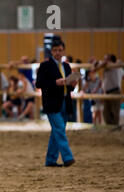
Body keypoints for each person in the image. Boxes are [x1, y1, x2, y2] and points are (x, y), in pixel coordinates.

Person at [36, 39, 77, 168]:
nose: (58, 52)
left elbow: (69, 87)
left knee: (57, 132)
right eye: (55, 50)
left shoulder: (66, 66)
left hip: (65, 101)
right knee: (59, 129)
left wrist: (72, 85)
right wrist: (55, 83)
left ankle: (50, 160)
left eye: (60, 50)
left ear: (63, 51)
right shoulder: (45, 66)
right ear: (51, 51)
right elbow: (39, 84)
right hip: (51, 103)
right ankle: (68, 157)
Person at [92, 54, 124, 128]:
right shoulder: (109, 66)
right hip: (107, 92)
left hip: (115, 91)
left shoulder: (115, 66)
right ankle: (110, 127)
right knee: (106, 112)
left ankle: (115, 127)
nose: (105, 60)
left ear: (111, 60)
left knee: (114, 111)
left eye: (106, 59)